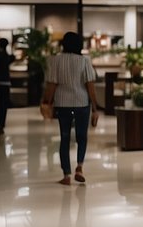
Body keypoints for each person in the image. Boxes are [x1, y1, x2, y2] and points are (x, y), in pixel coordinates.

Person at [41, 32, 99, 186]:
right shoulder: (84, 61)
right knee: (82, 137)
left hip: (63, 104)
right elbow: (90, 86)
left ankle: (66, 175)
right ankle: (79, 167)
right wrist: (95, 108)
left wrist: (47, 102)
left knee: (65, 138)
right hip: (82, 103)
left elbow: (51, 85)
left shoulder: (56, 61)